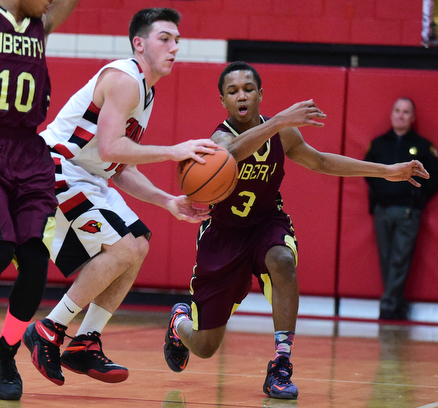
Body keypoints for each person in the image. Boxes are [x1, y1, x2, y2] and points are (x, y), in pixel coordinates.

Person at [163, 62, 430, 400]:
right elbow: (229, 153)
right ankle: (178, 321)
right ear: (223, 101)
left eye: (248, 88)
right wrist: (278, 121)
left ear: (260, 94)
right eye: (233, 91)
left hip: (265, 224)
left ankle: (281, 362)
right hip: (223, 237)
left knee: (282, 259)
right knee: (204, 347)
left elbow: (320, 161)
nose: (241, 95)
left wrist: (386, 171)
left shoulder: (283, 133)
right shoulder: (220, 138)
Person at [22, 7, 217, 387]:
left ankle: (85, 342)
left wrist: (167, 201)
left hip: (89, 176)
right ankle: (48, 329)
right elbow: (112, 147)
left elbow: (119, 168)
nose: (174, 47)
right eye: (165, 38)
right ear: (139, 43)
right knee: (123, 249)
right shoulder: (125, 78)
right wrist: (175, 150)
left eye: (177, 40)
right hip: (55, 168)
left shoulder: (146, 91)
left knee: (139, 244)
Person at [0, 0, 82, 400]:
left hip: (30, 154)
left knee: (34, 266)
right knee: (0, 250)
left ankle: (4, 352)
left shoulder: (40, 24)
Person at [364, 97, 438, 321]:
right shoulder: (378, 144)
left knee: (400, 259)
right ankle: (398, 305)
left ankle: (387, 307)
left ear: (412, 117)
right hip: (382, 210)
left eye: (406, 112)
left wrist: (419, 197)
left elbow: (435, 176)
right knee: (387, 259)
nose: (400, 115)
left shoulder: (424, 146)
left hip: (408, 211)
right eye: (397, 110)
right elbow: (367, 172)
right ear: (391, 114)